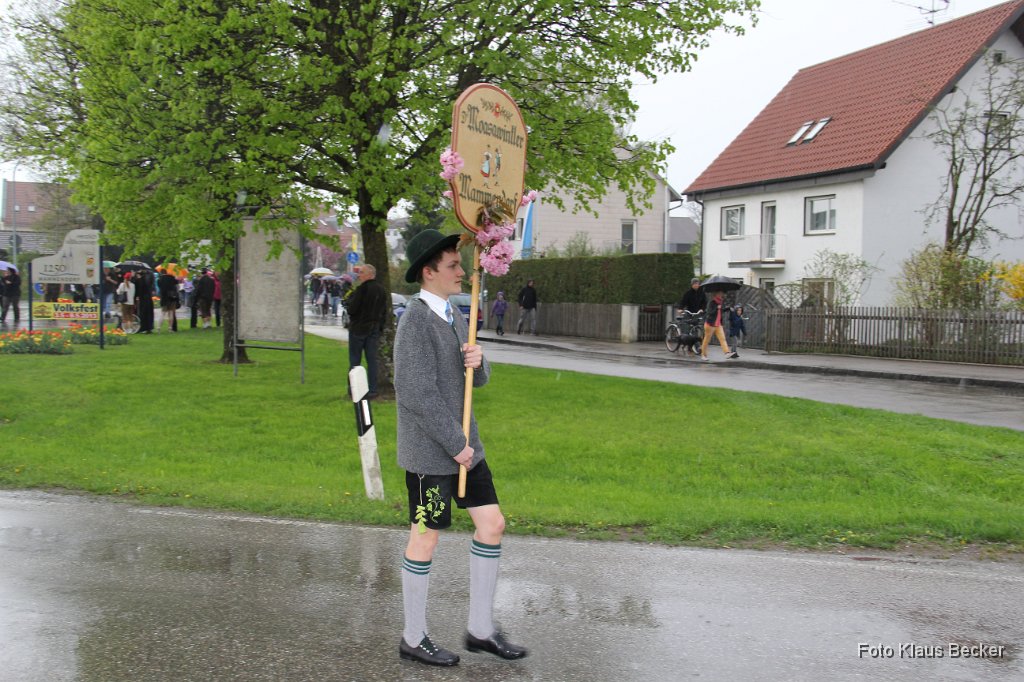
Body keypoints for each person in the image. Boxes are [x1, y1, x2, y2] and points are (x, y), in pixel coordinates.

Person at [393, 229, 527, 668]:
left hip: (467, 448)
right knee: (426, 536)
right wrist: (456, 445)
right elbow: (416, 394)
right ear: (428, 272)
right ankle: (413, 637)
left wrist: (478, 360)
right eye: (452, 265)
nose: (461, 271)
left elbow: (477, 381)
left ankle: (480, 630)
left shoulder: (453, 314)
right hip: (432, 456)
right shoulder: (414, 320)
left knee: (492, 524)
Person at [345, 264, 388, 399]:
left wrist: (350, 303)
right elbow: (384, 312)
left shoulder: (362, 290)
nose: (359, 275)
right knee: (372, 360)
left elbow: (352, 309)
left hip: (359, 328)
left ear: (370, 274)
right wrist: (379, 327)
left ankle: (353, 389)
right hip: (374, 329)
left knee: (355, 360)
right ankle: (373, 389)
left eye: (362, 272)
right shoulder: (382, 290)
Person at [700, 290, 739, 361]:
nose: (722, 295)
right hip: (710, 324)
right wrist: (716, 308)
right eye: (720, 294)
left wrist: (727, 308)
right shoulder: (712, 302)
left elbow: (721, 311)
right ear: (716, 294)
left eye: (722, 294)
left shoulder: (720, 302)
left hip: (718, 325)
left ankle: (726, 353)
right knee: (706, 340)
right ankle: (703, 355)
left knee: (722, 339)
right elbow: (709, 312)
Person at [156, 266, 179, 332]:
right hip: (172, 298)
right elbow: (177, 284)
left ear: (161, 273)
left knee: (163, 313)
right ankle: (170, 328)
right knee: (171, 313)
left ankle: (158, 328)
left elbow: (160, 288)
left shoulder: (159, 280)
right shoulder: (171, 278)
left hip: (164, 298)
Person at [134, 269, 155, 334]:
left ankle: (143, 327)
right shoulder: (148, 279)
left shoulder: (138, 281)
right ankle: (149, 327)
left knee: (143, 313)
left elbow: (137, 291)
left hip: (142, 299)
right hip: (148, 298)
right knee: (149, 313)